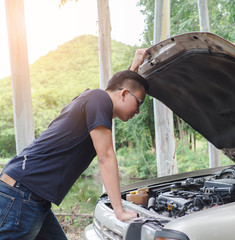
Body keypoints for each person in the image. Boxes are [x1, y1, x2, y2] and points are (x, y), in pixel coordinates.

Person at [0, 49, 148, 239]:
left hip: (31, 194)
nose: (138, 111)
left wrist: (134, 66)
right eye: (139, 103)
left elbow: (122, 87)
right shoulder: (99, 99)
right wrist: (119, 211)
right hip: (22, 192)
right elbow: (105, 157)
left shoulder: (96, 100)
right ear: (125, 94)